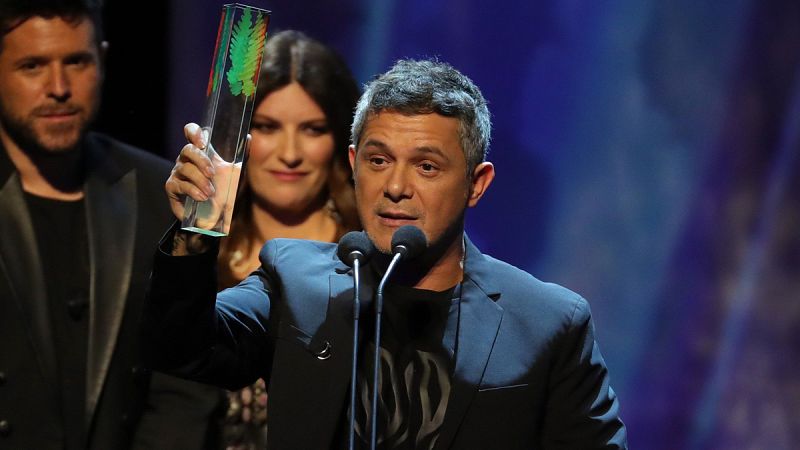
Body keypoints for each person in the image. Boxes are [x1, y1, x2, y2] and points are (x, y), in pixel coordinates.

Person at [145, 59, 628, 449]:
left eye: (426, 166)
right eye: (378, 161)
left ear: (476, 184)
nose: (395, 187)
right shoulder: (294, 280)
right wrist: (198, 227)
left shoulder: (547, 322)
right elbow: (181, 349)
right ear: (354, 165)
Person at [0, 1, 219, 448]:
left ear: (102, 58)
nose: (58, 87)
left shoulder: (159, 194)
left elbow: (182, 378)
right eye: (32, 65)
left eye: (77, 61)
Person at [215, 30, 361, 449]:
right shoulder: (197, 251)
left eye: (313, 129)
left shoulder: (366, 261)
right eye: (267, 127)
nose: (290, 153)